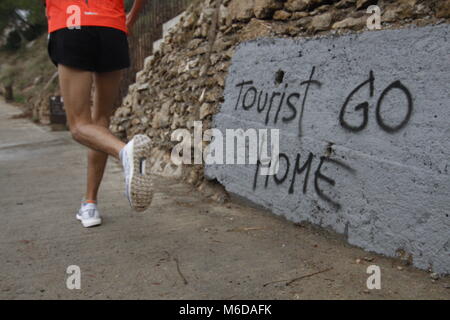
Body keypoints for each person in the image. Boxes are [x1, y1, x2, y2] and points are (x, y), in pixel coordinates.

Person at [44, 0, 153, 228]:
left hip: (71, 23)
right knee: (100, 121)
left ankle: (124, 152)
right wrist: (130, 18)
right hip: (112, 29)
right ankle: (89, 203)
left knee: (79, 126)